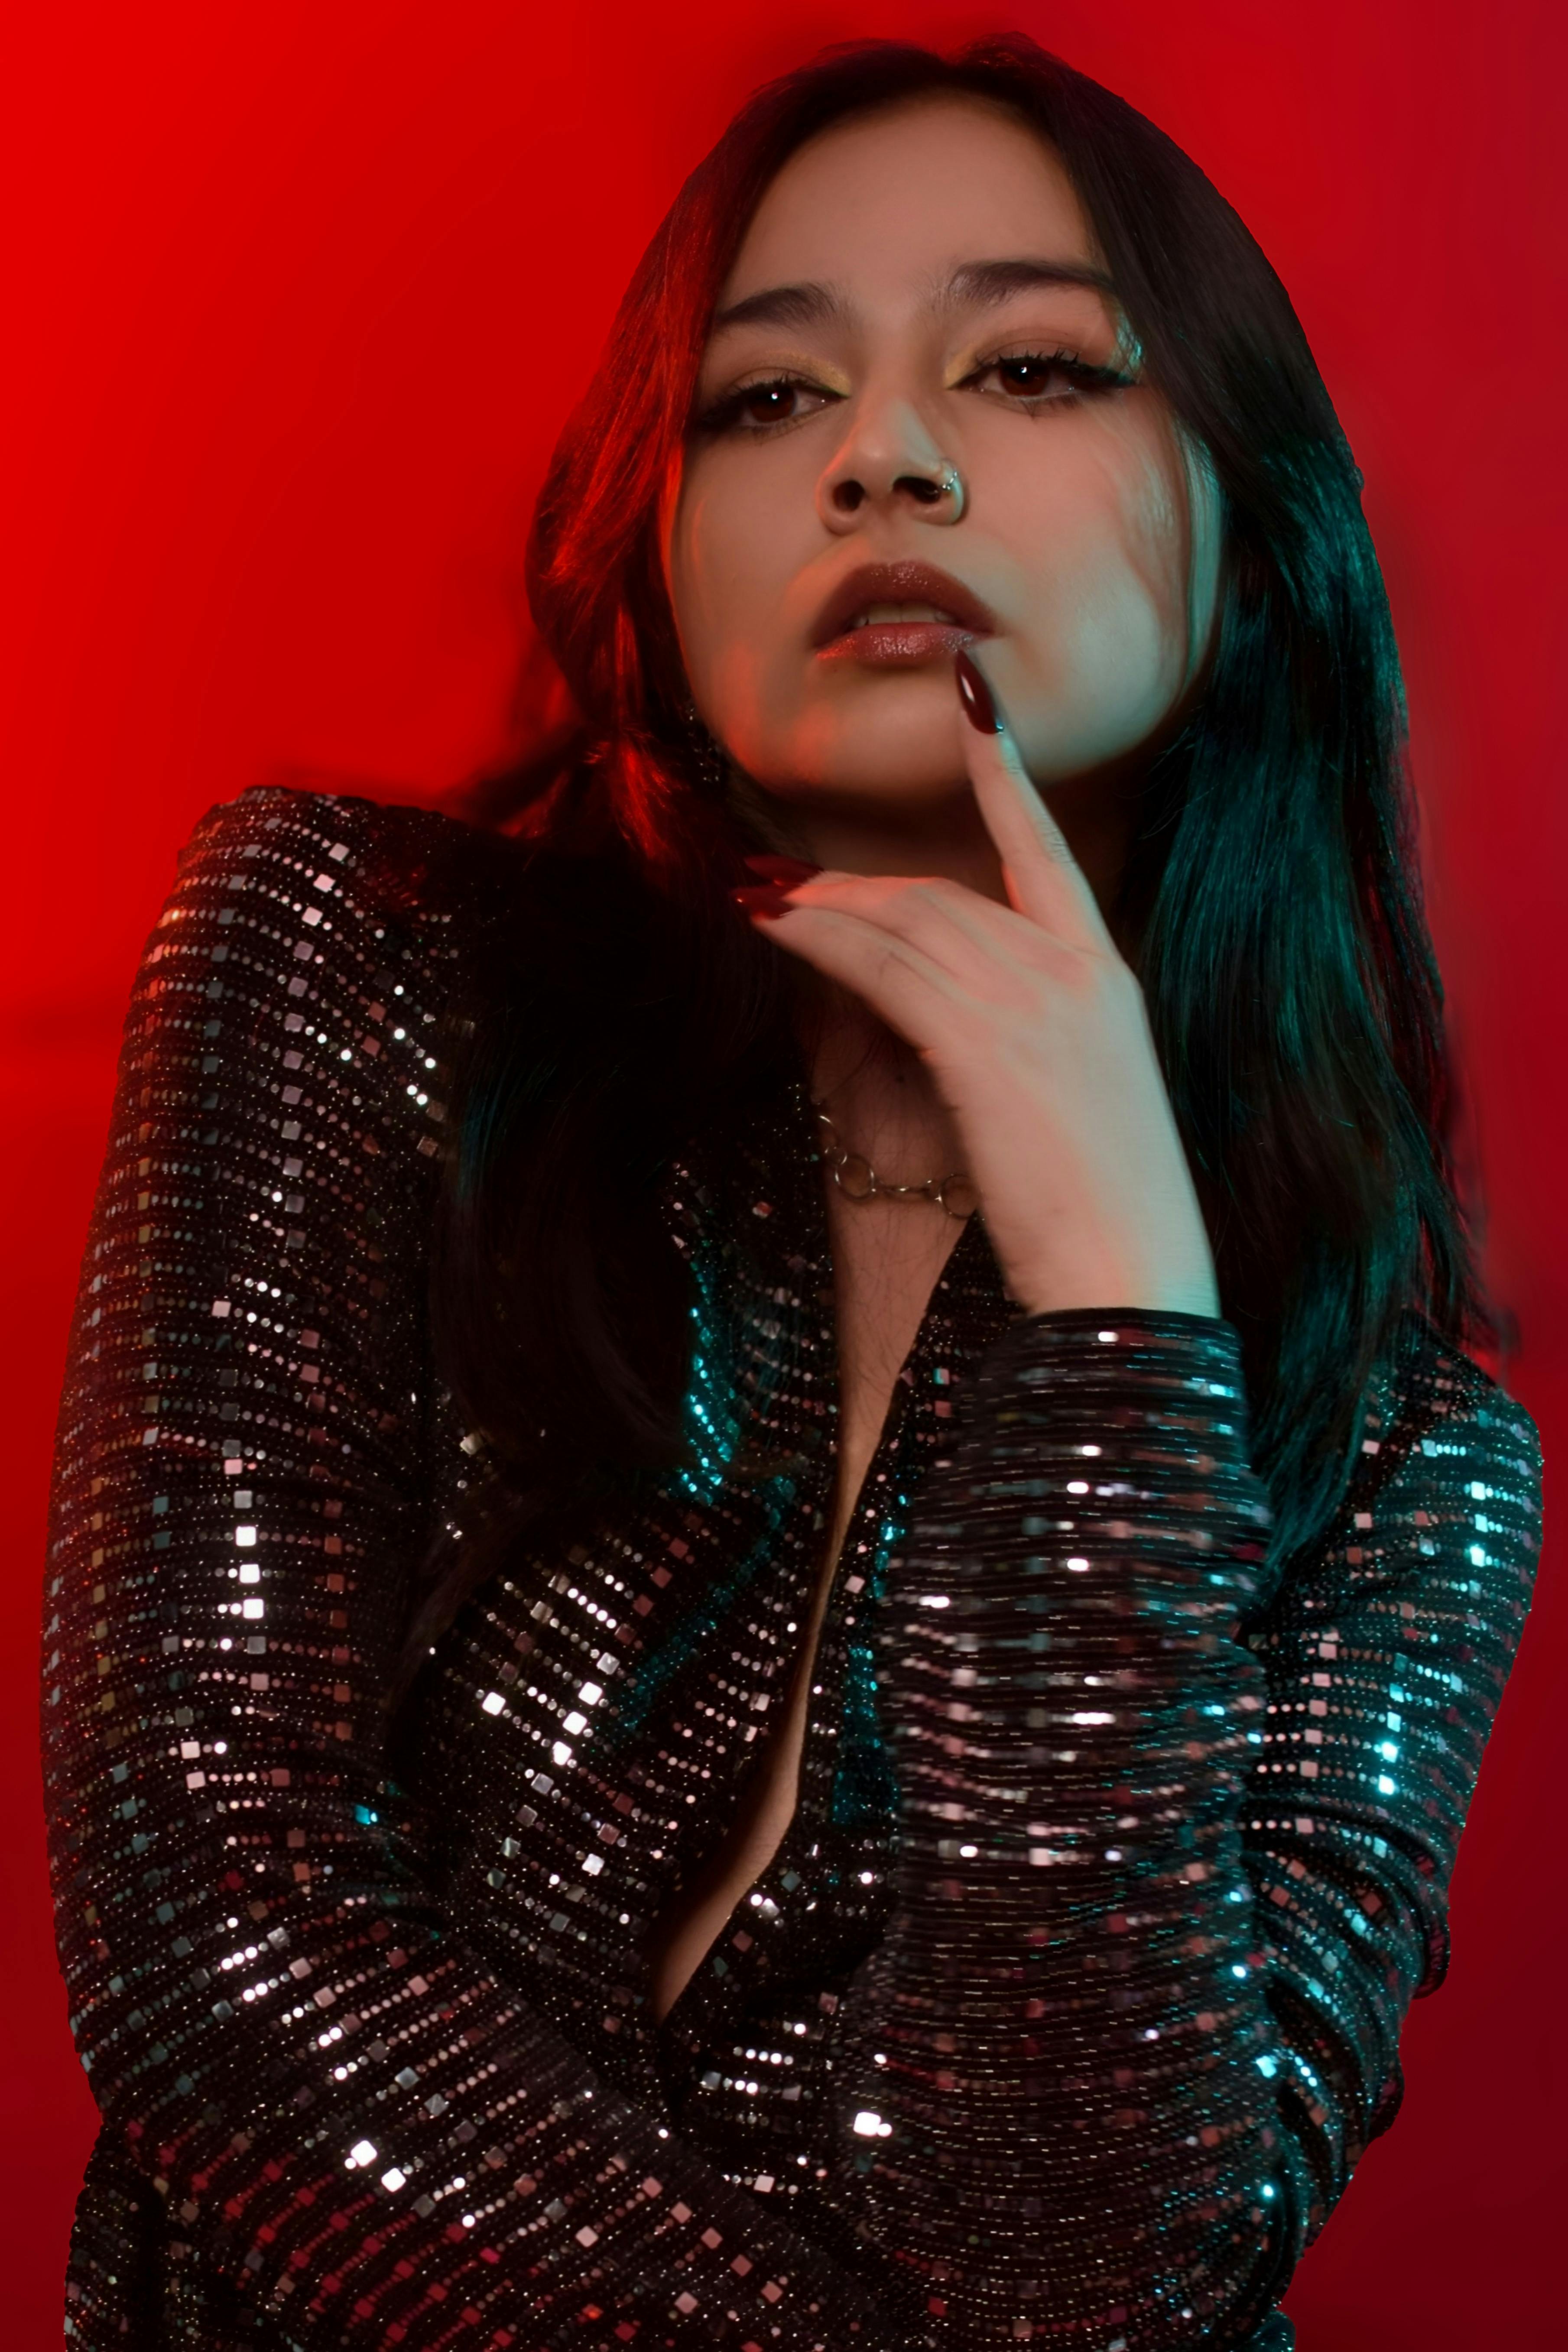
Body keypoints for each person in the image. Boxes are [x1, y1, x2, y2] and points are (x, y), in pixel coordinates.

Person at [42, 34, 1540, 2352]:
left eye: (1029, 366)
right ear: (662, 566)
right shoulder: (351, 969)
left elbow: (1086, 2257)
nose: (881, 455)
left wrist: (1117, 1316)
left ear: (1257, 548)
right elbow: (215, 1955)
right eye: (766, 398)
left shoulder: (1403, 1462)